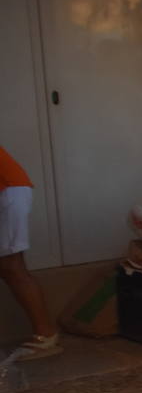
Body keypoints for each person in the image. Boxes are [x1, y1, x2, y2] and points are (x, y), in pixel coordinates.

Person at [0, 146, 60, 360]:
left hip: (7, 190)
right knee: (9, 267)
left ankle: (46, 336)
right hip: (9, 189)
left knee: (11, 266)